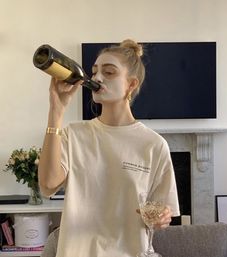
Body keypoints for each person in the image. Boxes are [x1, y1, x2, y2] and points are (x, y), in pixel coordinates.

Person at [38, 39, 180, 257]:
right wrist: (56, 111)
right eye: (94, 72)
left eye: (109, 72)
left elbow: (163, 211)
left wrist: (163, 217)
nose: (97, 78)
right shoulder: (73, 135)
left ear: (131, 84)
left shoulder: (153, 144)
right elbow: (47, 186)